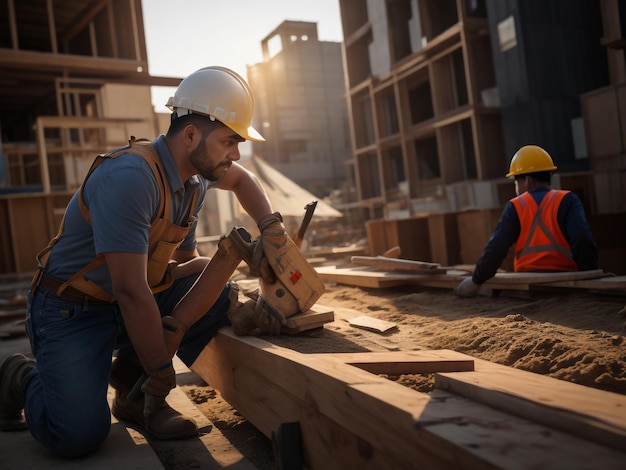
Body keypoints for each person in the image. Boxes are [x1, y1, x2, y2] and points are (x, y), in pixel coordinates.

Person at [0, 66, 284, 457]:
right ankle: (21, 378)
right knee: (77, 435)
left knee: (218, 297)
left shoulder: (193, 181)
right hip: (70, 310)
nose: (236, 154)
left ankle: (133, 393)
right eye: (229, 142)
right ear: (190, 135)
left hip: (125, 303)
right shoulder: (132, 178)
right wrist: (162, 372)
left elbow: (242, 181)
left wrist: (269, 226)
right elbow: (131, 291)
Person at [455, 145, 598, 298]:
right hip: (568, 282)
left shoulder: (515, 206)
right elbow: (582, 239)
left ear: (527, 181)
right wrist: (589, 275)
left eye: (516, 183)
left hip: (529, 286)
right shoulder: (568, 200)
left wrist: (477, 280)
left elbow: (496, 247)